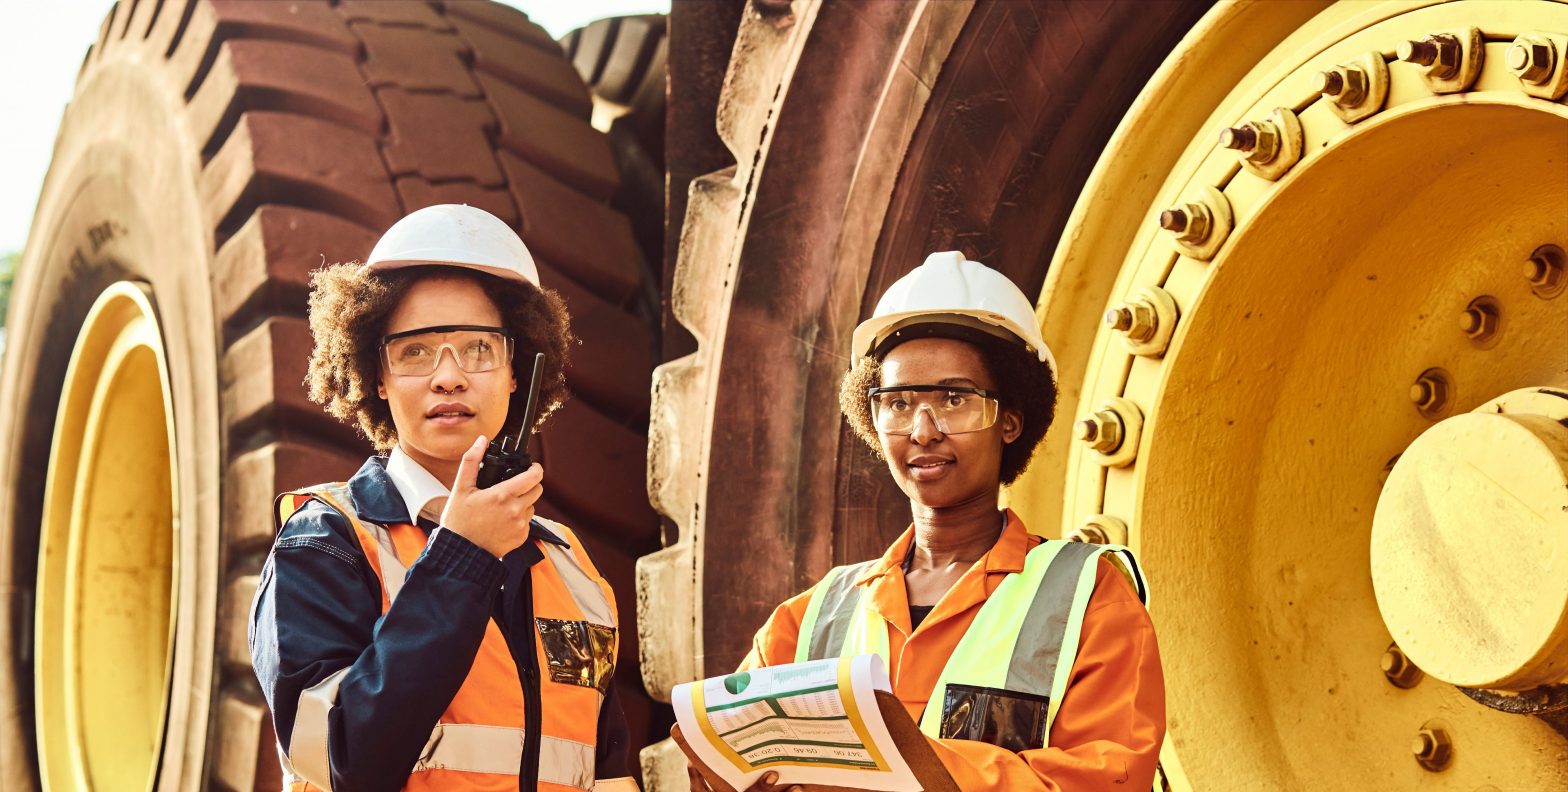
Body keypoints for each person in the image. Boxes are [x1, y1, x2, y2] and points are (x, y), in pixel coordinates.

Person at [695, 252, 1165, 791]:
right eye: (897, 403)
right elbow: (731, 756)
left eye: (953, 398)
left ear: (1009, 420)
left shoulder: (1090, 599)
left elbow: (1109, 779)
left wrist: (918, 766)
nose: (922, 430)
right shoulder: (813, 618)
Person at [250, 204, 636, 792]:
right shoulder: (325, 542)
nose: (448, 377)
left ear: (520, 373)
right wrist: (462, 556)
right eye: (415, 351)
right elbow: (343, 758)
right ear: (376, 376)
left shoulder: (570, 566)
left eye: (479, 349)